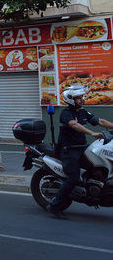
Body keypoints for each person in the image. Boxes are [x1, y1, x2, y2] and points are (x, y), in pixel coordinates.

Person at [47, 85, 113, 219]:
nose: (82, 99)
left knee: (97, 161)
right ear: (71, 99)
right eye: (78, 98)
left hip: (82, 146)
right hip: (69, 150)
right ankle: (54, 206)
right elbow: (74, 125)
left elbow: (100, 121)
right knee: (73, 178)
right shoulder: (66, 113)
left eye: (81, 97)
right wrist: (92, 133)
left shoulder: (83, 112)